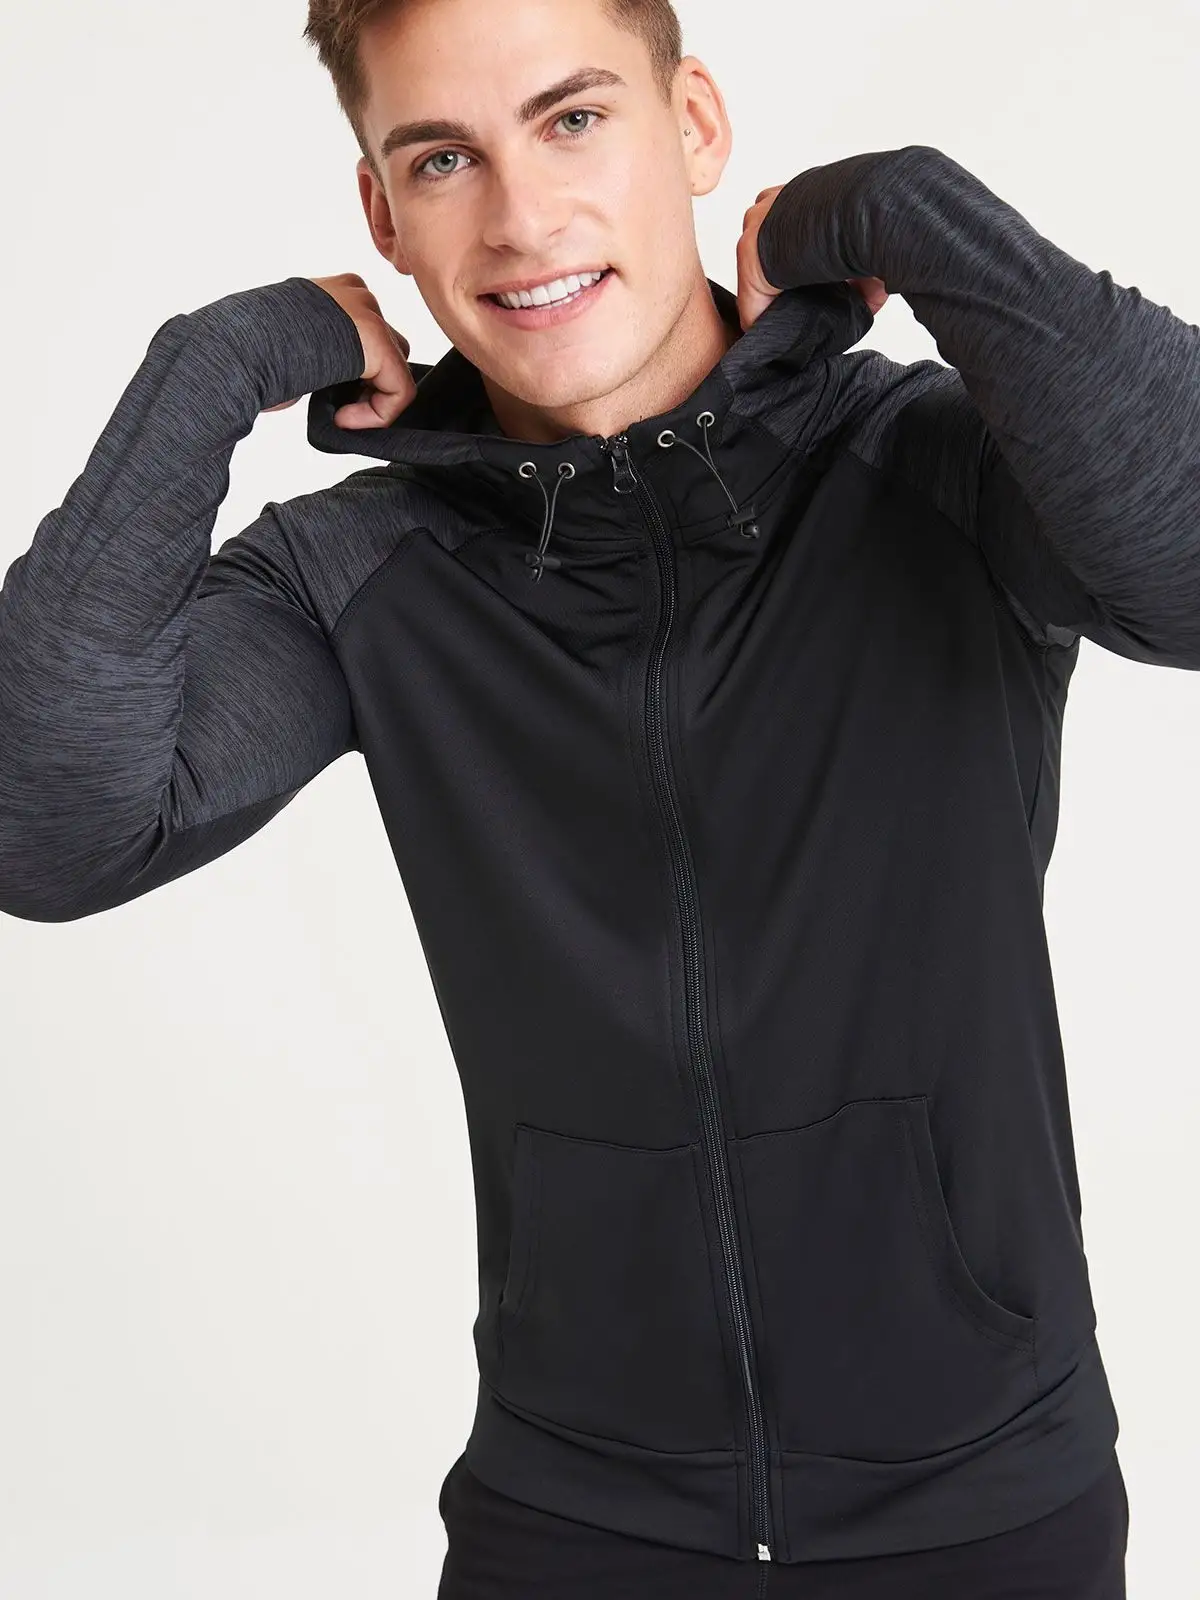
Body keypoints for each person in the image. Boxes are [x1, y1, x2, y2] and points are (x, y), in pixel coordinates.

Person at [5, 0, 1198, 1591]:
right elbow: (49, 826)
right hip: (572, 1519)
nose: (520, 216)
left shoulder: (932, 466)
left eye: (574, 119)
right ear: (382, 213)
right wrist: (212, 368)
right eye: (444, 158)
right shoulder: (361, 574)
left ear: (692, 126)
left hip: (984, 1508)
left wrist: (916, 211)